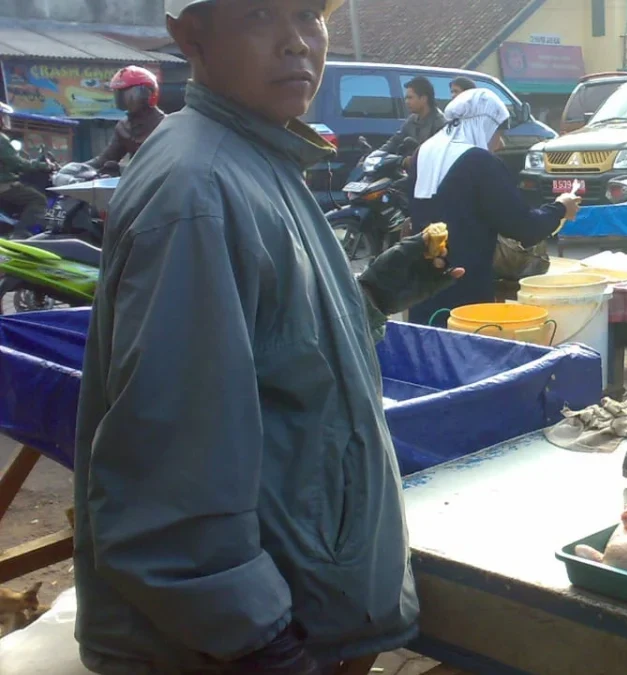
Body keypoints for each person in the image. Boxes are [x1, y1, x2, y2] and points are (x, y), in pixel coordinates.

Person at [73, 0, 462, 672]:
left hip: (291, 611)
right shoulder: (196, 189)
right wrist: (264, 645)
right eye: (259, 14)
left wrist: (382, 290)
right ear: (191, 36)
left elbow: (291, 357)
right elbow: (170, 471)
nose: (296, 43)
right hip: (226, 647)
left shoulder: (260, 159)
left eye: (310, 15)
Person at [406, 88, 581, 327]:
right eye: (498, 132)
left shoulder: (422, 153)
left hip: (422, 288)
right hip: (465, 293)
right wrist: (561, 208)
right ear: (484, 126)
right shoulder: (479, 162)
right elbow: (523, 227)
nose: (500, 143)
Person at [86, 65, 166, 170]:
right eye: (121, 95)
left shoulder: (165, 125)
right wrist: (75, 168)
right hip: (135, 183)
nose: (126, 100)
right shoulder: (124, 127)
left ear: (148, 94)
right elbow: (105, 159)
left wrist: (122, 169)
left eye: (131, 95)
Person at [0, 102, 53, 238]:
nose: (6, 120)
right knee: (38, 199)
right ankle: (20, 234)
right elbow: (17, 164)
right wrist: (44, 166)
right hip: (3, 185)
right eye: (3, 116)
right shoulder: (1, 139)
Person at [379, 75, 445, 166]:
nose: (406, 101)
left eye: (410, 98)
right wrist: (376, 155)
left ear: (424, 99)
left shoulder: (440, 123)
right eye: (406, 98)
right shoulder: (412, 119)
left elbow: (436, 156)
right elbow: (395, 141)